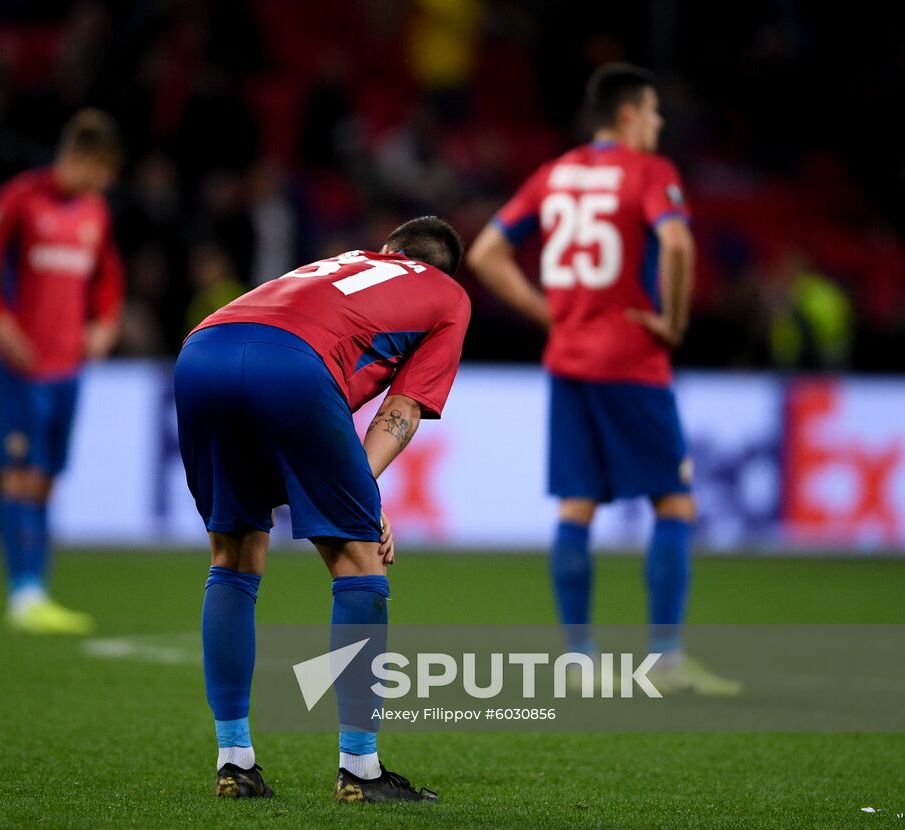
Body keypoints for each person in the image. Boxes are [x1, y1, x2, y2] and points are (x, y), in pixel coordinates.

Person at [465, 63, 739, 695]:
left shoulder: (553, 174)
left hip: (569, 359)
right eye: (653, 113)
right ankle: (667, 660)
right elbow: (676, 245)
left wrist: (550, 315)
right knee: (674, 498)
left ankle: (578, 660)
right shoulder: (650, 173)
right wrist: (671, 323)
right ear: (627, 116)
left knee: (577, 503)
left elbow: (484, 254)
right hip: (632, 360)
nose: (660, 124)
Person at [175, 217, 470, 802]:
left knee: (233, 553)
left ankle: (234, 760)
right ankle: (360, 769)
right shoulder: (449, 297)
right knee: (360, 561)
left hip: (202, 350)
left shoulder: (345, 261)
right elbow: (403, 410)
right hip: (292, 366)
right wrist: (364, 491)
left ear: (389, 250)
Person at [0, 109, 124, 635]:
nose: (103, 183)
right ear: (79, 157)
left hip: (68, 368)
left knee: (47, 479)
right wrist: (0, 322)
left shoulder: (95, 211)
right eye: (99, 171)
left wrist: (106, 324)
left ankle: (38, 592)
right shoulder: (21, 198)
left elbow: (108, 274)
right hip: (23, 364)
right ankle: (21, 592)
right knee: (20, 474)